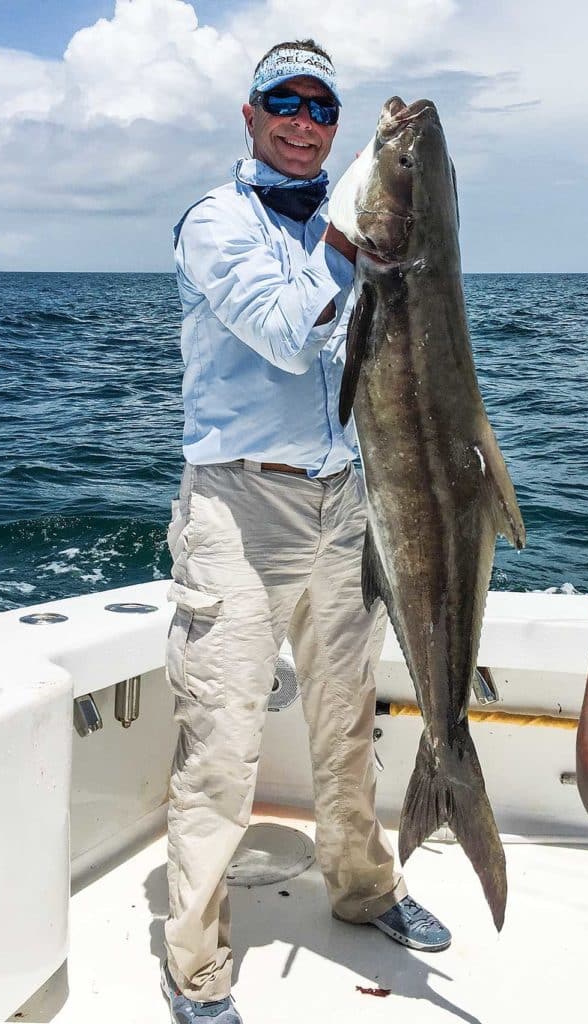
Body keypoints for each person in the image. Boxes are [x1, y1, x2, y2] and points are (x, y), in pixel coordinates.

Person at [161, 39, 451, 1024]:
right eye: (281, 101)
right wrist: (349, 235)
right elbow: (288, 335)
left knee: (346, 724)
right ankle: (195, 965)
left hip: (343, 502)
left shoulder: (359, 229)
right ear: (249, 116)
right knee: (220, 745)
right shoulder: (215, 222)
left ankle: (364, 888)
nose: (302, 120)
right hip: (238, 510)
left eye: (320, 107)